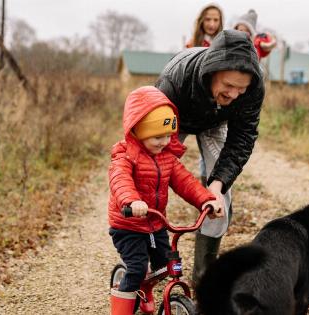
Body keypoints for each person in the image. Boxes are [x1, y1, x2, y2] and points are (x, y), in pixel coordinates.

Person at [156, 29, 265, 286]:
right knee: (152, 178)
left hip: (215, 121)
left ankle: (203, 277)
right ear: (212, 71)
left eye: (241, 88)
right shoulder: (175, 80)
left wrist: (215, 186)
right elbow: (151, 134)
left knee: (221, 196)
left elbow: (242, 139)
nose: (234, 94)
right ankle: (148, 257)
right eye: (228, 85)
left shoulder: (252, 89)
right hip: (173, 118)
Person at [107, 86, 223, 314]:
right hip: (128, 226)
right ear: (138, 131)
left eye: (168, 135)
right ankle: (121, 308)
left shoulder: (167, 158)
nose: (164, 141)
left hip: (156, 224)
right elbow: (120, 182)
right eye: (157, 136)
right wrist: (131, 201)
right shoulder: (125, 157)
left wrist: (206, 201)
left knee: (163, 265)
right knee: (138, 267)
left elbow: (185, 182)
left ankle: (145, 288)